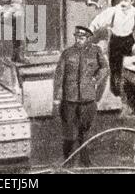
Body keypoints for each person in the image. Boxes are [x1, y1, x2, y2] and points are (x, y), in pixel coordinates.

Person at [54, 26, 109, 164]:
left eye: (82, 38)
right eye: (77, 37)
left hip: (88, 99)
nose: (79, 40)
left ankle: (86, 162)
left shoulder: (95, 51)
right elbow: (59, 76)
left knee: (84, 132)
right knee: (69, 133)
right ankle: (67, 161)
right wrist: (57, 98)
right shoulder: (67, 53)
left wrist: (96, 79)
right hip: (69, 99)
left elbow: (104, 68)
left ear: (88, 39)